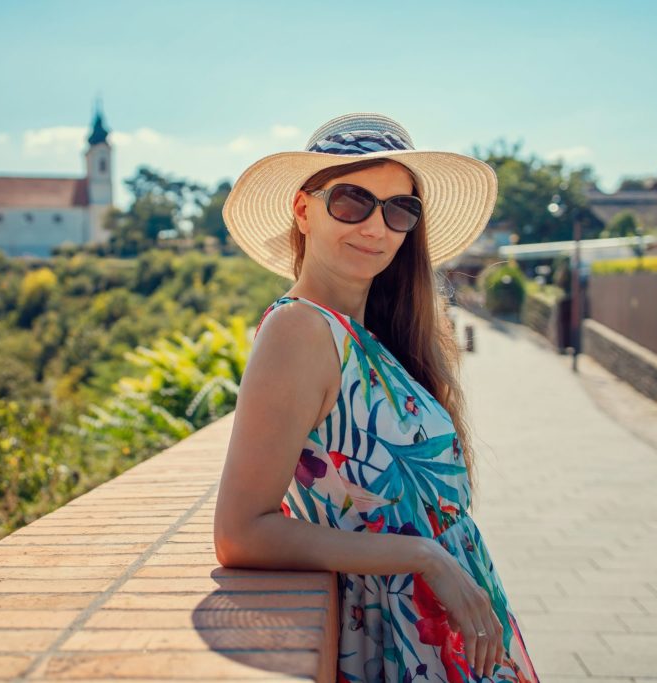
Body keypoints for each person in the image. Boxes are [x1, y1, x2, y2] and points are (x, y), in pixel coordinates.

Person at [213, 113, 539, 683]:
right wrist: (425, 557)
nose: (376, 227)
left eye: (398, 209)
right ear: (302, 209)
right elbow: (241, 532)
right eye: (351, 201)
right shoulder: (300, 330)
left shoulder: (374, 339)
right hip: (402, 642)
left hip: (447, 635)